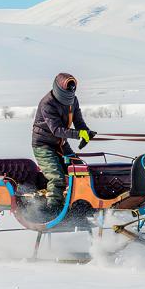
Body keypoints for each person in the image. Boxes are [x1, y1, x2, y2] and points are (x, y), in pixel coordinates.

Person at [31, 73, 95, 209]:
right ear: (59, 88)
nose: (71, 90)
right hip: (43, 145)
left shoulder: (74, 101)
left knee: (81, 172)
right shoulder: (47, 103)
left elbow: (78, 121)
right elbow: (57, 130)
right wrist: (78, 134)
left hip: (61, 144)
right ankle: (52, 209)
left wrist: (86, 132)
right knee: (57, 178)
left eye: (72, 87)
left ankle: (80, 205)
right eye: (68, 87)